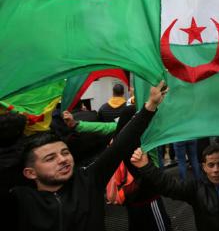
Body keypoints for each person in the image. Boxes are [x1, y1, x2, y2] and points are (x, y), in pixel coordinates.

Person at [10, 81, 167, 231]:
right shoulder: (20, 201)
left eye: (65, 152)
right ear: (30, 172)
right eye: (50, 158)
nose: (62, 159)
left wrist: (151, 105)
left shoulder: (88, 180)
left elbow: (120, 144)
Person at [131, 143, 219, 231]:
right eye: (211, 165)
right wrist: (146, 167)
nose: (216, 170)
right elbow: (169, 186)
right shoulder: (195, 187)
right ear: (204, 167)